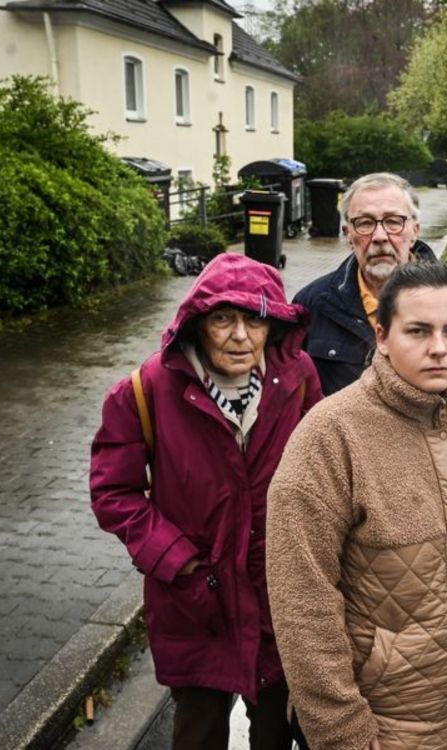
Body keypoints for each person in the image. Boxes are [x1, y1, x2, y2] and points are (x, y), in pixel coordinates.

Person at [266, 262, 447, 750]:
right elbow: (303, 607)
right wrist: (345, 736)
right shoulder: (330, 437)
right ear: (382, 335)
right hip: (381, 729)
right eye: (418, 331)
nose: (439, 348)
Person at [90, 253, 322, 749]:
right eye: (223, 319)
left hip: (277, 599)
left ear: (273, 324)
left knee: (277, 734)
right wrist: (176, 558)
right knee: (198, 733)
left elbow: (322, 474)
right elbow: (114, 491)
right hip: (196, 605)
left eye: (254, 319)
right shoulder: (144, 390)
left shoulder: (298, 378)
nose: (240, 335)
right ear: (198, 324)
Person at [293, 171, 447, 449]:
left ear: (415, 230)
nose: (379, 236)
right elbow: (292, 415)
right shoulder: (313, 304)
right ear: (348, 234)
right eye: (364, 223)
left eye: (393, 222)